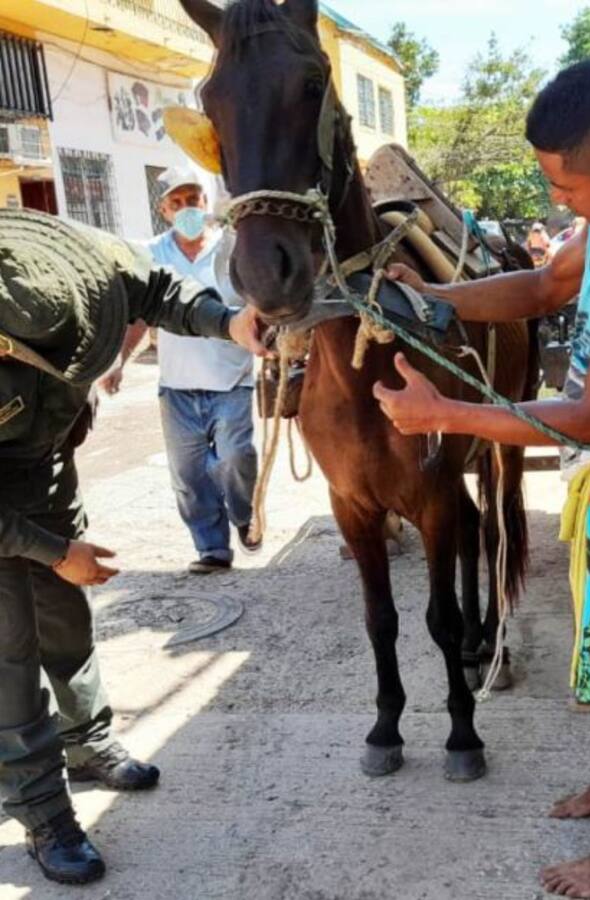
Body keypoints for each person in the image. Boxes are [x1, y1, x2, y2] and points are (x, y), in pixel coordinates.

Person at [379, 59, 590, 899]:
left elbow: (589, 416)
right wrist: (442, 298)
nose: (558, 201)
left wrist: (444, 418)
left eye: (567, 187)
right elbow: (537, 285)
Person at [0, 209, 268, 885]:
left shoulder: (79, 261)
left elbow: (162, 291)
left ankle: (86, 742)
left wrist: (227, 322)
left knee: (64, 615)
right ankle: (44, 815)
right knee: (9, 654)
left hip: (45, 463)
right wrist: (53, 550)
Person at [103, 167, 259, 574]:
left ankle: (244, 514)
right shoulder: (153, 254)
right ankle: (212, 549)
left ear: (205, 203)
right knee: (190, 477)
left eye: (193, 199)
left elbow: (259, 302)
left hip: (232, 380)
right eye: (177, 203)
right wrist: (120, 361)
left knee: (236, 457)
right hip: (177, 387)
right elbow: (139, 316)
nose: (186, 208)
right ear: (164, 210)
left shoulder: (234, 248)